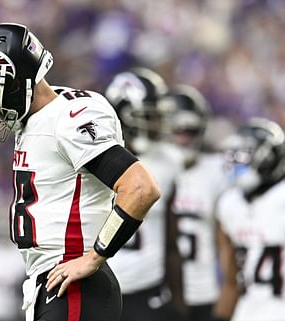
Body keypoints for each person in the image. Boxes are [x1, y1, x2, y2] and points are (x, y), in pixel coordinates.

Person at [0, 23, 161, 321]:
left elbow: (140, 188)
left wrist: (94, 257)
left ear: (12, 81)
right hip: (54, 285)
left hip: (74, 284)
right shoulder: (39, 119)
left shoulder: (68, 119)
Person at [214, 118, 285, 321]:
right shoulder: (229, 204)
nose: (237, 162)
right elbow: (231, 282)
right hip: (245, 311)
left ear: (269, 158)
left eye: (246, 155)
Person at [104, 68, 182, 321]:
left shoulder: (167, 162)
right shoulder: (89, 158)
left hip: (147, 290)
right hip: (101, 289)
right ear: (124, 117)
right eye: (149, 116)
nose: (157, 124)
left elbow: (171, 242)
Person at [164, 85, 227, 321]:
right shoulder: (150, 169)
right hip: (161, 290)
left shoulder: (218, 172)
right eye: (176, 129)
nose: (182, 137)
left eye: (188, 130)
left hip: (205, 291)